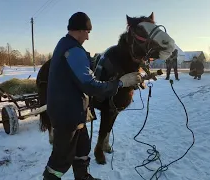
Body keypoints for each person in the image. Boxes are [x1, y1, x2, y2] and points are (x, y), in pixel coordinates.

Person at [42, 12, 142, 180]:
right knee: (61, 158)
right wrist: (120, 83)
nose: (88, 37)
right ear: (80, 30)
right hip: (67, 114)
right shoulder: (74, 51)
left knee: (82, 148)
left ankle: (82, 177)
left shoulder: (64, 44)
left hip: (74, 111)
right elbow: (90, 85)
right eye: (87, 32)